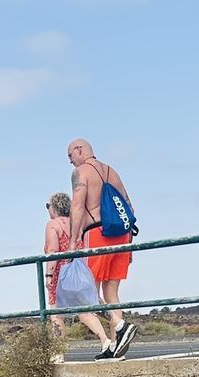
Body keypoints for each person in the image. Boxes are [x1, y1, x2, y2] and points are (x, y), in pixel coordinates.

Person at [67, 139, 138, 360]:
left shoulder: (81, 172)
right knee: (111, 293)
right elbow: (129, 206)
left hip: (98, 233)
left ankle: (120, 326)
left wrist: (73, 241)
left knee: (86, 293)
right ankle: (115, 347)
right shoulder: (112, 171)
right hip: (122, 235)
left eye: (70, 156)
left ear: (79, 150)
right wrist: (129, 245)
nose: (70, 161)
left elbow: (77, 205)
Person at [43, 191, 110, 362]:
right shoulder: (76, 224)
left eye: (48, 206)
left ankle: (58, 352)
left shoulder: (53, 225)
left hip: (60, 272)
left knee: (56, 313)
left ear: (54, 208)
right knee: (83, 310)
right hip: (77, 270)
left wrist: (49, 275)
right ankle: (105, 340)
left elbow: (52, 250)